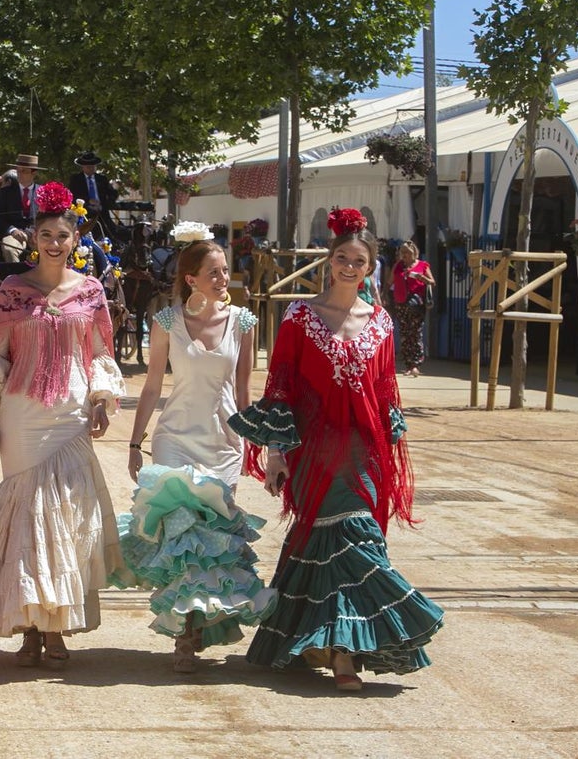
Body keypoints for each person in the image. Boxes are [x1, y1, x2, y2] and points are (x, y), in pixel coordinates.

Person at [228, 207, 443, 691]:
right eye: (342, 257)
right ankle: (336, 651)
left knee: (360, 541)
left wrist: (388, 452)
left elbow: (386, 390)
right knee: (328, 542)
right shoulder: (300, 316)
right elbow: (280, 386)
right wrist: (277, 454)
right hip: (315, 452)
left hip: (365, 453)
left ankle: (339, 650)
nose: (350, 266)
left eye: (359, 260)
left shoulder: (383, 322)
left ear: (371, 268)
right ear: (329, 261)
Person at [0, 182, 127, 669]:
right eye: (45, 233)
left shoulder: (91, 292)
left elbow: (98, 354)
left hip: (70, 414)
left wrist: (100, 399)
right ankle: (27, 625)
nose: (54, 242)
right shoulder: (12, 291)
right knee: (29, 516)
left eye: (62, 235)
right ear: (34, 237)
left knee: (66, 519)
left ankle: (54, 628)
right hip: (23, 416)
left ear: (75, 240)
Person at [113, 224, 276, 673]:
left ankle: (197, 622)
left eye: (226, 271)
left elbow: (244, 392)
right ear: (190, 278)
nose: (224, 279)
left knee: (213, 541)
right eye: (214, 272)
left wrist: (259, 443)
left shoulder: (244, 322)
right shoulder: (165, 322)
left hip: (223, 443)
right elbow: (149, 389)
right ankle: (185, 634)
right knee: (182, 534)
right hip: (174, 440)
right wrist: (134, 442)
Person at [390, 240, 435, 376]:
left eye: (407, 253)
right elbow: (389, 281)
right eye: (402, 253)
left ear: (414, 253)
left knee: (415, 333)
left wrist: (422, 278)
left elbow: (433, 282)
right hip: (401, 303)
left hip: (416, 303)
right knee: (405, 333)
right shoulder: (398, 266)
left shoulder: (422, 265)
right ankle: (408, 364)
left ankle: (415, 364)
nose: (404, 255)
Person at [0, 153, 45, 261]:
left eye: (24, 171)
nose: (19, 174)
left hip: (38, 234)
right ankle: (14, 276)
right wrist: (13, 230)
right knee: (9, 248)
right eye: (18, 170)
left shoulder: (43, 192)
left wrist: (33, 231)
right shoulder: (6, 192)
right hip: (15, 235)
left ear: (34, 173)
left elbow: (47, 218)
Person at [67, 151, 118, 236]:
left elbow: (113, 194)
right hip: (84, 214)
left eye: (93, 166)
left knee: (113, 232)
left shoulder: (102, 179)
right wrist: (88, 201)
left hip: (102, 214)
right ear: (83, 167)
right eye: (88, 166)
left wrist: (104, 204)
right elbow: (72, 196)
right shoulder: (76, 179)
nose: (90, 168)